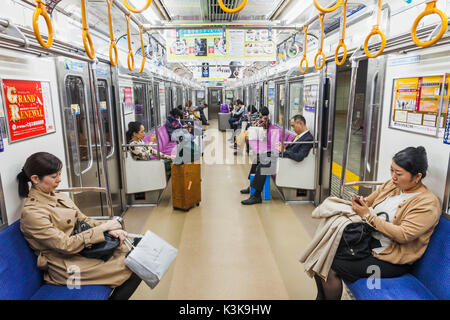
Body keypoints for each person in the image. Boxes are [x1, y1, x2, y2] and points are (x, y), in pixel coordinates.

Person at [314, 146, 440, 300]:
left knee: (331, 266)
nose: (393, 176)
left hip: (390, 260)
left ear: (417, 176)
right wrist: (361, 203)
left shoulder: (427, 204)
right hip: (368, 244)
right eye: (391, 170)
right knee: (323, 253)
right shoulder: (392, 185)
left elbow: (403, 235)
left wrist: (368, 216)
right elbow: (370, 201)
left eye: (398, 173)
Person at [18, 152, 141, 300]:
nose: (59, 180)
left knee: (139, 249)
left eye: (59, 174)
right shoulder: (32, 213)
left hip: (83, 251)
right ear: (35, 179)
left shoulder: (58, 196)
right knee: (136, 266)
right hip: (65, 265)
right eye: (54, 177)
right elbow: (65, 245)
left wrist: (112, 229)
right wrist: (102, 229)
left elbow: (84, 220)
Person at [240, 114, 313, 205]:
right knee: (259, 157)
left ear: (301, 123)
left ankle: (256, 196)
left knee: (264, 166)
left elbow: (299, 157)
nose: (293, 129)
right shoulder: (301, 136)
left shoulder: (308, 139)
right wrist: (283, 149)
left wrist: (285, 150)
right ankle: (251, 187)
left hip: (287, 162)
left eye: (293, 126)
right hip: (283, 157)